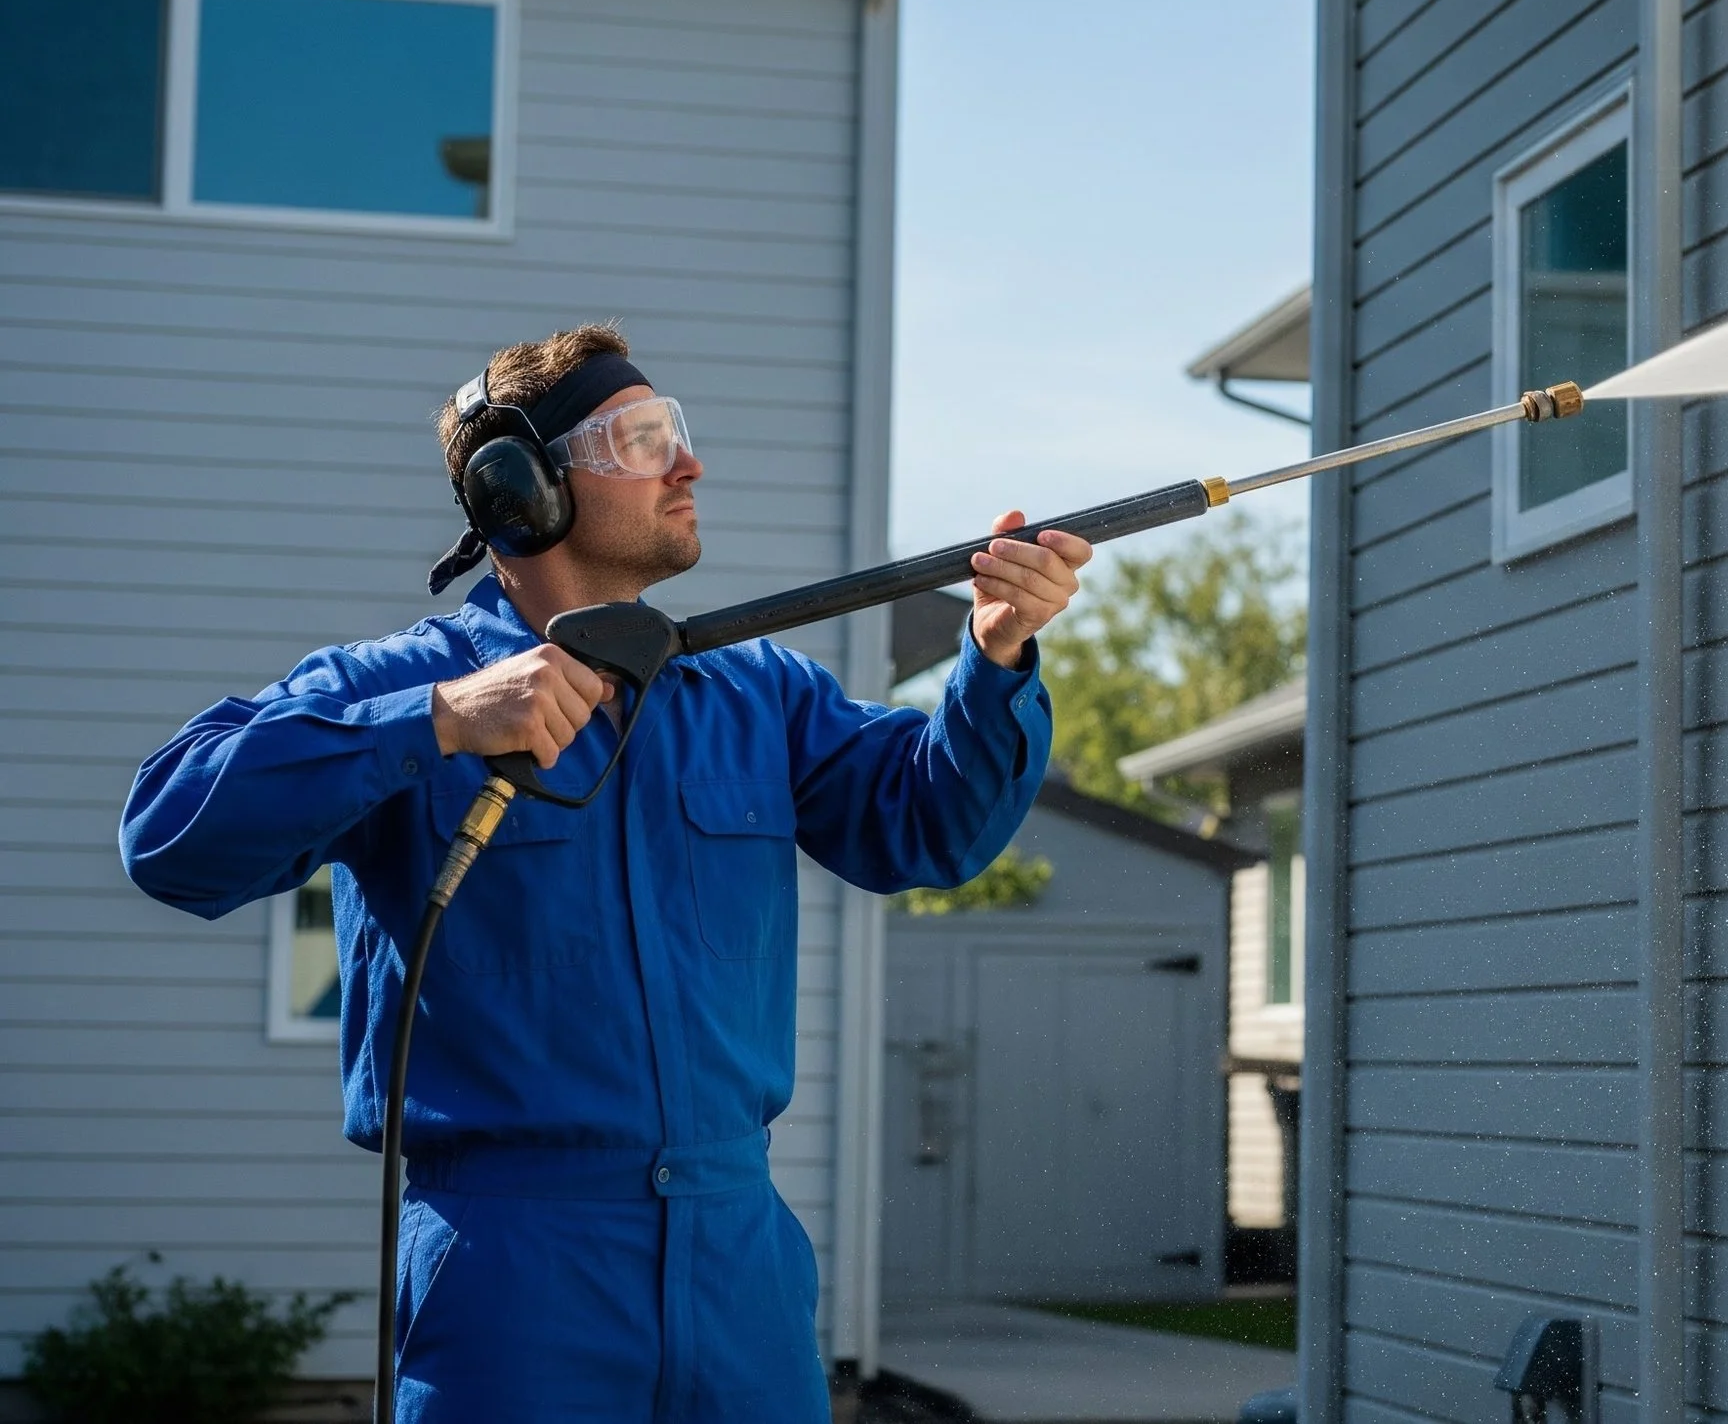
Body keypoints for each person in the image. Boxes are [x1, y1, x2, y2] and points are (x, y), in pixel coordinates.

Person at [120, 323, 1092, 1422]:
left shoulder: (757, 691)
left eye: (677, 432)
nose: (690, 464)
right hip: (511, 1275)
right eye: (641, 439)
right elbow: (166, 837)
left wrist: (998, 653)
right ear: (518, 492)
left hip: (743, 1268)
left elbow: (928, 831)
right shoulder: (396, 684)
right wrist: (437, 722)